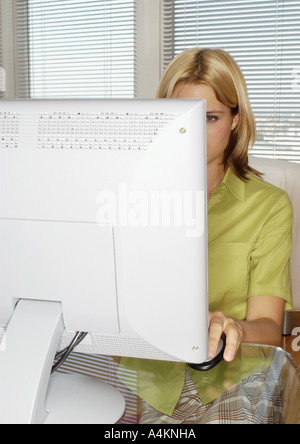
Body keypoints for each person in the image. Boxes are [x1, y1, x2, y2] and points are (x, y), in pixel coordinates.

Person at [119, 48, 293, 423]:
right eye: (180, 118)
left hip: (233, 377)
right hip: (148, 379)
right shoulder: (128, 198)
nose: (192, 134)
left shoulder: (269, 206)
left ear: (235, 120)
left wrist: (233, 327)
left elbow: (268, 328)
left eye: (210, 117)